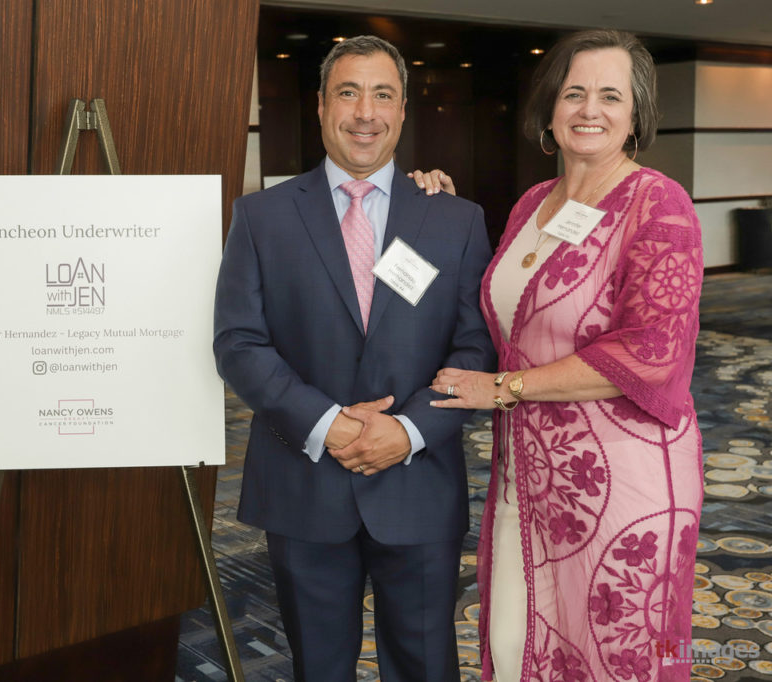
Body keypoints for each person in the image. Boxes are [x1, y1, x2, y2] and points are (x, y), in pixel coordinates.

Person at [414, 29, 703, 682]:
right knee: (519, 645)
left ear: (636, 115)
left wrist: (505, 388)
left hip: (626, 488)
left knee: (615, 659)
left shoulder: (659, 204)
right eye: (574, 93)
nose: (589, 110)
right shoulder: (529, 207)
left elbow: (652, 353)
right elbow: (505, 315)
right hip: (532, 480)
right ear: (549, 109)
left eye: (610, 95)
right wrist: (424, 210)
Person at [213, 35, 496, 681]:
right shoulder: (261, 216)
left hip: (418, 480)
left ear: (402, 111)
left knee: (425, 664)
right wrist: (328, 424)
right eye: (348, 92)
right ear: (320, 106)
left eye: (383, 95)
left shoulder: (455, 219)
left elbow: (474, 345)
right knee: (320, 667)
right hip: (304, 481)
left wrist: (409, 429)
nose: (365, 112)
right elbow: (239, 342)